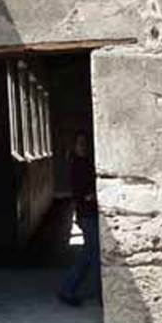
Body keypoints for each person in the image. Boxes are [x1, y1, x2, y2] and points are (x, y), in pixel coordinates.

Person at [58, 131, 101, 307]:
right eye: (80, 144)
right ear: (75, 146)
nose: (83, 147)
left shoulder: (85, 163)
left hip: (88, 213)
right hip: (87, 214)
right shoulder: (78, 166)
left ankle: (70, 289)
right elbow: (84, 194)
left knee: (91, 252)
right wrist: (94, 195)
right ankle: (98, 294)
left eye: (85, 143)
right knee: (94, 252)